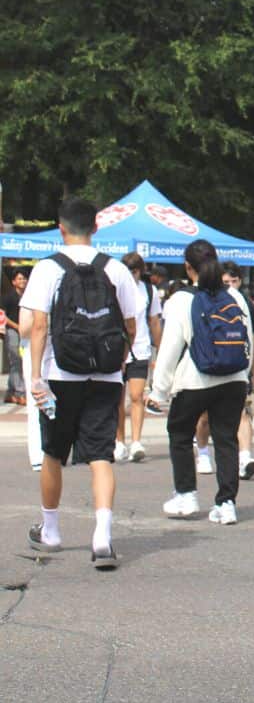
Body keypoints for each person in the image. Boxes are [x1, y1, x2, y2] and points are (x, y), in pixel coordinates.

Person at [24, 197, 139, 570]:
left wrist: (36, 376)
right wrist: (116, 365)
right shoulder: (116, 269)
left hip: (61, 374)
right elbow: (130, 326)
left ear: (61, 227)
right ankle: (102, 536)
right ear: (96, 227)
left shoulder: (47, 269)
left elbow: (39, 326)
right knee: (101, 455)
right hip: (105, 375)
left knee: (53, 452)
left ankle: (52, 530)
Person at [150, 240, 252, 525]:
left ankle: (186, 495)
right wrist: (244, 377)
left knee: (180, 434)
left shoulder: (181, 299)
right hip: (233, 379)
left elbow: (170, 348)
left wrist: (159, 390)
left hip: (195, 379)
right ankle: (227, 502)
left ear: (187, 266)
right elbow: (249, 340)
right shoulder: (235, 296)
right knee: (226, 440)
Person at [115, 252, 162, 463]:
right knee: (117, 399)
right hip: (118, 348)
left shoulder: (149, 291)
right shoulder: (114, 288)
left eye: (134, 270)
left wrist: (160, 349)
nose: (131, 275)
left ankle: (136, 441)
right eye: (127, 270)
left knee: (136, 396)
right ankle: (118, 442)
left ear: (140, 271)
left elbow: (154, 322)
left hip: (141, 347)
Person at [221, 263, 254, 479]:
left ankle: (245, 457)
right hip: (214, 364)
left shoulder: (245, 302)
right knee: (206, 417)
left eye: (234, 282)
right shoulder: (209, 299)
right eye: (226, 282)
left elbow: (252, 336)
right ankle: (205, 453)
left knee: (243, 412)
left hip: (239, 365)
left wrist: (251, 368)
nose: (231, 286)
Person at [3, 268, 27, 405]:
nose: (22, 281)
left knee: (17, 362)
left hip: (25, 331)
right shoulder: (8, 297)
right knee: (16, 361)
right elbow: (2, 316)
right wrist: (16, 326)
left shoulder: (28, 296)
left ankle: (10, 393)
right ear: (13, 282)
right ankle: (19, 392)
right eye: (19, 278)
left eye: (24, 278)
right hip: (12, 331)